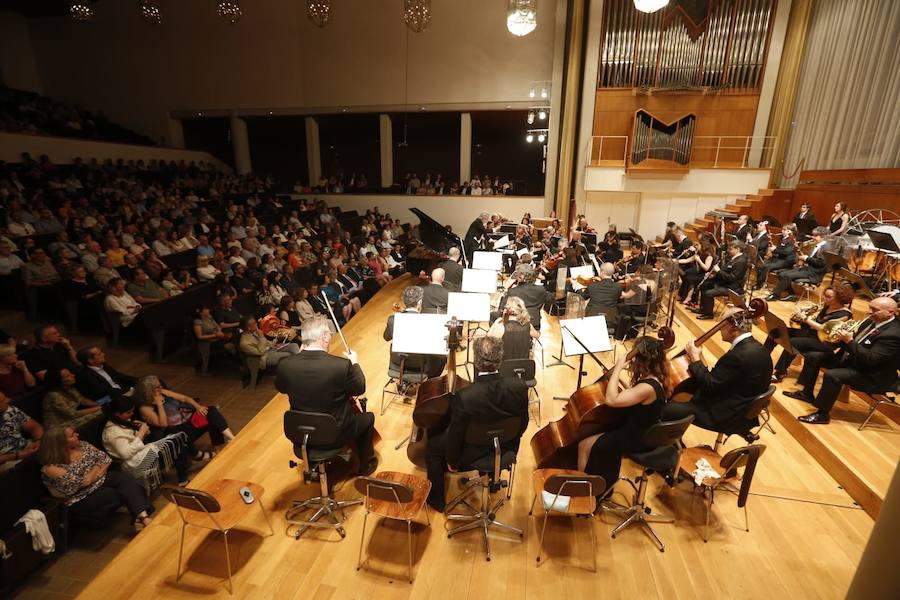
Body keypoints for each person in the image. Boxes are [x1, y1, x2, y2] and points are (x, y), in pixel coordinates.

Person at [424, 335, 528, 511]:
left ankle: (437, 501)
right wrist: (507, 441)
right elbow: (523, 424)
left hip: (472, 454)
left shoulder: (465, 396)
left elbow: (456, 436)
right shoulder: (519, 387)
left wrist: (452, 462)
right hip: (505, 448)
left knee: (433, 448)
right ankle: (493, 478)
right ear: (500, 358)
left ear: (476, 360)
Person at [275, 317, 377, 476]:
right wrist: (355, 363)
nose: (330, 337)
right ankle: (365, 466)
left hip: (300, 433)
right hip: (334, 433)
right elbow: (359, 388)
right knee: (368, 418)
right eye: (329, 333)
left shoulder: (285, 364)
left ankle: (315, 465)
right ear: (323, 337)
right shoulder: (340, 366)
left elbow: (281, 388)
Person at [788, 297, 900, 425]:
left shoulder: (893, 334)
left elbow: (872, 359)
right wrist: (835, 339)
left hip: (872, 374)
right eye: (870, 307)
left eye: (875, 310)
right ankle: (806, 393)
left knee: (833, 375)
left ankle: (822, 415)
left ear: (890, 312)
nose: (869, 311)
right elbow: (857, 341)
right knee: (813, 357)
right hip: (854, 360)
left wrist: (849, 341)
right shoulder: (870, 321)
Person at [662, 307, 772, 433]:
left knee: (666, 409)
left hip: (726, 415)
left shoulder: (738, 356)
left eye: (722, 325)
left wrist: (695, 359)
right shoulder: (758, 348)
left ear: (733, 329)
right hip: (740, 407)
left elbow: (710, 385)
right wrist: (698, 359)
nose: (719, 329)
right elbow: (721, 378)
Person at [577, 336, 669, 486]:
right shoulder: (657, 378)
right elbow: (634, 396)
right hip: (642, 431)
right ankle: (602, 483)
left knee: (584, 446)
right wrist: (614, 377)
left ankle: (583, 491)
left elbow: (612, 400)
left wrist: (618, 368)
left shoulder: (647, 387)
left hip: (637, 438)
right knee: (600, 439)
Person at [38, 427, 154, 531]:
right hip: (80, 498)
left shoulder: (82, 445)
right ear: (61, 443)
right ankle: (142, 516)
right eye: (72, 435)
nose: (77, 435)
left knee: (125, 477)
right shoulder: (51, 468)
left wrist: (94, 473)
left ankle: (143, 517)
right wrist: (98, 467)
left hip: (99, 482)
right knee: (120, 491)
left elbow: (105, 459)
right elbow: (83, 482)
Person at [132, 375, 234, 460]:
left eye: (159, 386)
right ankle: (198, 455)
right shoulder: (145, 408)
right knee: (180, 433)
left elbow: (184, 398)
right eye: (157, 388)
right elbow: (163, 424)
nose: (160, 388)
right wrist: (159, 404)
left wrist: (197, 406)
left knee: (210, 411)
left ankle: (229, 439)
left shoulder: (163, 392)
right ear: (148, 391)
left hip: (189, 419)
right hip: (177, 430)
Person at [769, 286, 853, 383]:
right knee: (777, 330)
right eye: (825, 295)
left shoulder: (845, 315)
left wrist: (806, 319)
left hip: (825, 342)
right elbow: (817, 323)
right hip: (812, 334)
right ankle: (764, 356)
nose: (825, 298)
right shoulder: (828, 306)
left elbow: (825, 329)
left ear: (839, 298)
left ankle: (780, 373)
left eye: (829, 297)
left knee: (793, 342)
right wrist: (805, 314)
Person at [102, 395, 191, 486]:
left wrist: (141, 430)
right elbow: (126, 454)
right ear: (117, 414)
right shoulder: (112, 433)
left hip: (141, 451)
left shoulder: (122, 420)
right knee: (176, 443)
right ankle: (184, 475)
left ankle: (183, 477)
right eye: (128, 412)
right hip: (133, 462)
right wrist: (140, 434)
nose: (132, 414)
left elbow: (136, 439)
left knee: (178, 439)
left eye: (132, 411)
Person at [383, 286, 446, 378]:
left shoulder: (392, 319)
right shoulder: (428, 322)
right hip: (420, 367)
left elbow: (386, 337)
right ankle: (431, 381)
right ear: (420, 302)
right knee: (442, 356)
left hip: (398, 364)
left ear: (403, 300)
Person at [767, 227, 830, 301]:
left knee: (787, 275)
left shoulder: (825, 248)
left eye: (816, 236)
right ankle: (792, 294)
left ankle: (775, 295)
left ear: (822, 237)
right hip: (807, 269)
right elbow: (814, 260)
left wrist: (806, 258)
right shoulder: (819, 245)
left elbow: (821, 263)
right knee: (781, 274)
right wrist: (805, 258)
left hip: (814, 274)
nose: (813, 237)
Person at [696, 241, 748, 320]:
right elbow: (725, 271)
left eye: (730, 249)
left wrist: (718, 271)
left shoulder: (741, 261)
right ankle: (703, 309)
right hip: (724, 283)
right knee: (704, 285)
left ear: (738, 249)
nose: (728, 251)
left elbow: (732, 278)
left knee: (708, 293)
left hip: (731, 288)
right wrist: (712, 276)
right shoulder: (733, 258)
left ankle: (708, 314)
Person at [498, 264, 553, 332]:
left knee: (494, 315)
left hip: (516, 324)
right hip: (534, 324)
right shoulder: (541, 289)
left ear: (520, 277)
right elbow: (551, 300)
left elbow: (502, 309)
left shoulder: (512, 292)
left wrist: (506, 289)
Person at [487, 296, 540, 361]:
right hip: (524, 365)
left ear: (506, 310)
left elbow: (488, 342)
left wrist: (497, 323)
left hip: (504, 365)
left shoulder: (501, 327)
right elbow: (537, 335)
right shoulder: (528, 326)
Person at [0, 390, 43, 468]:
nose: (7, 401)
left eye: (5, 398)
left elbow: (35, 427)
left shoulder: (10, 410)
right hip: (7, 461)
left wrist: (38, 441)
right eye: (2, 401)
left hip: (27, 447)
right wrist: (18, 455)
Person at [756, 226, 798, 290]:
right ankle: (760, 283)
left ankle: (759, 285)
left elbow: (786, 252)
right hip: (778, 259)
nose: (782, 231)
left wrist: (775, 249)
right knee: (760, 266)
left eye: (785, 230)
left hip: (786, 261)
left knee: (766, 266)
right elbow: (779, 249)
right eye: (783, 229)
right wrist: (773, 249)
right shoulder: (781, 238)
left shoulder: (792, 240)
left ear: (790, 231)